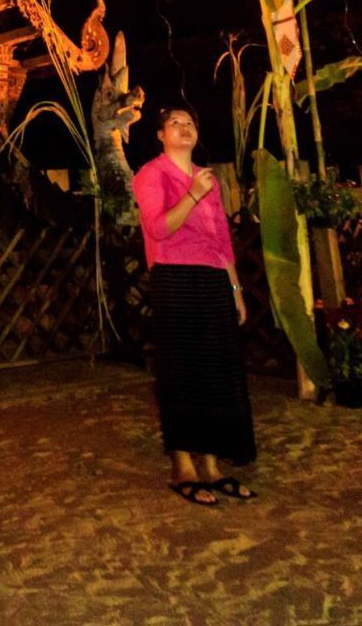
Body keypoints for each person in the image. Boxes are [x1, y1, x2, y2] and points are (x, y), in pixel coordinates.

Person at [131, 105, 257, 507]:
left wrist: (235, 288)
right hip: (175, 278)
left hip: (213, 279)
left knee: (216, 368)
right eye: (175, 124)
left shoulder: (208, 178)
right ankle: (182, 466)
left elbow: (221, 238)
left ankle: (212, 463)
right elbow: (158, 228)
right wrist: (192, 195)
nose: (184, 128)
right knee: (183, 370)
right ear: (160, 135)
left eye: (190, 123)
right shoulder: (150, 175)